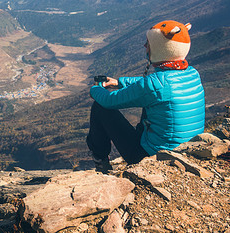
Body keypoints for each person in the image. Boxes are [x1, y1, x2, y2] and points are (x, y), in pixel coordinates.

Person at [86, 19, 205, 171]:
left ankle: (100, 160)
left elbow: (109, 101)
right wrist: (120, 83)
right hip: (185, 151)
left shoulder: (156, 84)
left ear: (160, 48)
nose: (145, 46)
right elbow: (151, 85)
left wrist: (95, 90)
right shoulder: (192, 73)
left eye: (148, 43)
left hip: (152, 156)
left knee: (100, 107)